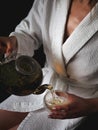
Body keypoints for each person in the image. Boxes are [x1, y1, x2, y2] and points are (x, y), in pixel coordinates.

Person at [0, 0, 98, 130]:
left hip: (80, 101)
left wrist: (92, 105)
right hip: (43, 82)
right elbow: (28, 33)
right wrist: (13, 41)